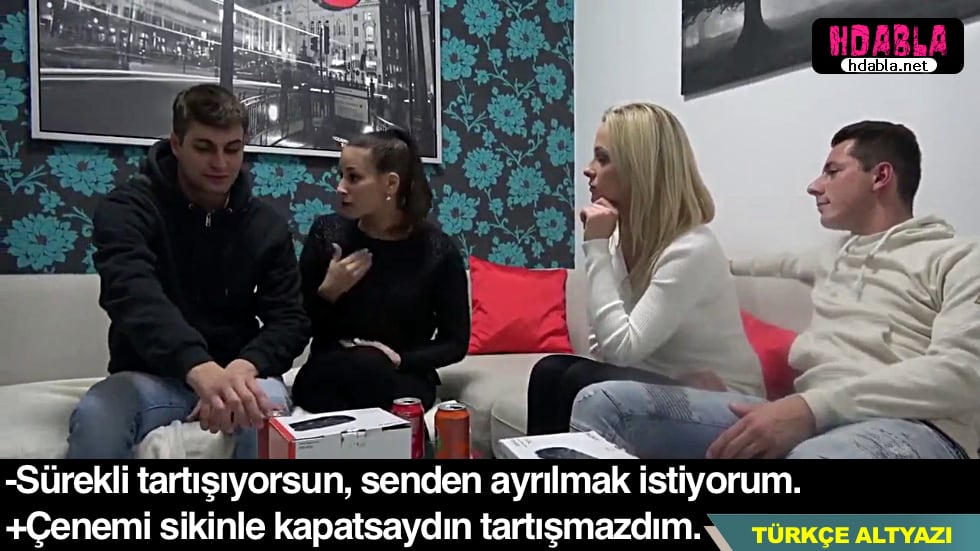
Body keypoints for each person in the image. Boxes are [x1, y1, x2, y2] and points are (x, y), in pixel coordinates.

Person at [571, 120, 980, 460]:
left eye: (832, 172)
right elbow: (753, 264)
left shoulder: (958, 259)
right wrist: (692, 258)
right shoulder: (831, 256)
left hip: (912, 426)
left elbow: (962, 372)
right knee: (603, 404)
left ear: (881, 176)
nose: (814, 186)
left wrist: (810, 408)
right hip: (802, 416)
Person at [68, 84, 311, 459]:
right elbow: (132, 295)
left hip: (242, 377)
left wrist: (244, 368)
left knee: (268, 418)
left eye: (233, 149)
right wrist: (199, 368)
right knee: (97, 415)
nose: (221, 163)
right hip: (152, 377)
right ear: (177, 144)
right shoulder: (129, 209)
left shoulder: (267, 225)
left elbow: (290, 319)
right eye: (204, 148)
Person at [525, 102, 765, 436]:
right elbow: (601, 345)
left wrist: (595, 247)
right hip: (674, 383)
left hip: (728, 401)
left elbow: (620, 350)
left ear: (639, 169)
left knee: (580, 379)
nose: (588, 169)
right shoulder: (619, 237)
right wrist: (671, 379)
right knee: (550, 371)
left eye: (603, 158)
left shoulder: (691, 248)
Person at [291, 128, 470, 415]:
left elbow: (455, 342)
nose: (340, 187)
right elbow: (295, 326)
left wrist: (400, 359)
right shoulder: (327, 234)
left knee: (372, 367)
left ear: (390, 184)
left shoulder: (437, 251)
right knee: (360, 367)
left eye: (353, 178)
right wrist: (328, 293)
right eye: (340, 175)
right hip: (330, 374)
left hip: (400, 377)